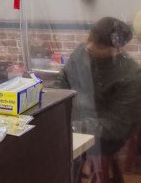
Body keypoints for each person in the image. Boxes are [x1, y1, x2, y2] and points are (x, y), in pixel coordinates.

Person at [57, 16, 141, 155]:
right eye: (90, 39)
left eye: (99, 46)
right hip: (75, 121)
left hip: (107, 136)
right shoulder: (81, 52)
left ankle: (67, 175)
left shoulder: (131, 75)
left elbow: (116, 125)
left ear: (117, 49)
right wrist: (55, 107)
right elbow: (63, 78)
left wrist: (72, 126)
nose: (90, 46)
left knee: (60, 149)